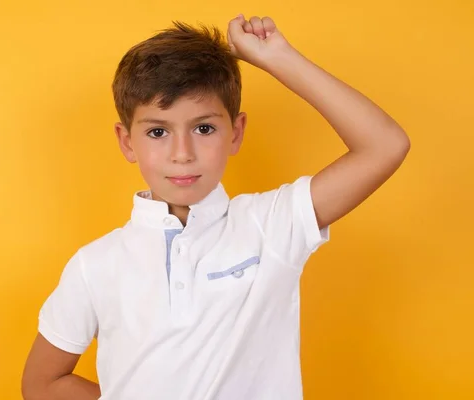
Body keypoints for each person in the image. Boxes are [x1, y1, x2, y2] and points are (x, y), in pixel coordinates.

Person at [21, 14, 410, 400]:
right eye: (158, 132)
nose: (183, 154)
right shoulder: (95, 265)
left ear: (235, 132)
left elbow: (385, 145)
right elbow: (43, 384)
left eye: (203, 128)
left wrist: (278, 57)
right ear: (127, 142)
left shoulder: (271, 225)